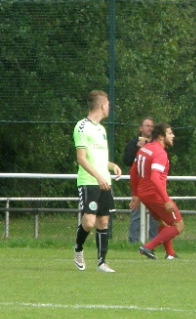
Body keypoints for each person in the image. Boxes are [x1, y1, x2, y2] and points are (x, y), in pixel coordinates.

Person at [73, 90, 122, 273]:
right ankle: (78, 248)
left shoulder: (101, 129)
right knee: (88, 222)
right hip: (89, 181)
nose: (109, 107)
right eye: (108, 104)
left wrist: (112, 166)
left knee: (103, 222)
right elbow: (81, 159)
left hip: (104, 182)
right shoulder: (82, 127)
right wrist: (98, 177)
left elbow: (99, 159)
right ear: (102, 105)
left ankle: (102, 263)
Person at [130, 123, 184, 260]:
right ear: (161, 137)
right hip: (155, 194)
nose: (173, 136)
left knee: (164, 223)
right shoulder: (160, 153)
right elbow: (154, 178)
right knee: (178, 226)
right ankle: (148, 247)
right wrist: (166, 200)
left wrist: (135, 194)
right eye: (170, 133)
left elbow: (133, 171)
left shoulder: (144, 149)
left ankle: (170, 254)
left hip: (144, 194)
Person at [122, 117, 158, 244]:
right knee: (136, 214)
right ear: (140, 128)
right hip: (138, 183)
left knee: (155, 214)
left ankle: (154, 242)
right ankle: (134, 242)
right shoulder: (133, 143)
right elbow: (127, 161)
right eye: (147, 126)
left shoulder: (156, 144)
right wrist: (138, 149)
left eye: (152, 126)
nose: (150, 128)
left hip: (153, 183)